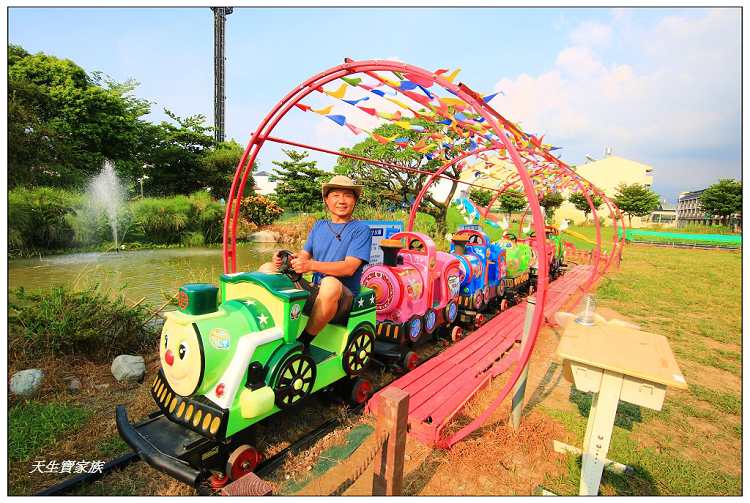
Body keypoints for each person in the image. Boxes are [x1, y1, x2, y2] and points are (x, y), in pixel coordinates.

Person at [259, 175, 372, 347]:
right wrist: (286, 259)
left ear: (355, 200)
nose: (341, 201)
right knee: (267, 268)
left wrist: (311, 266)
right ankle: (269, 326)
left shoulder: (361, 230)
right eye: (336, 195)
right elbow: (304, 255)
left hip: (343, 298)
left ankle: (303, 342)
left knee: (330, 283)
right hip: (316, 290)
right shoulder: (319, 226)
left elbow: (349, 268)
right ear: (326, 200)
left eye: (347, 195)